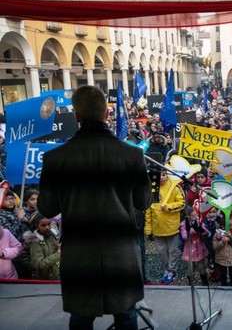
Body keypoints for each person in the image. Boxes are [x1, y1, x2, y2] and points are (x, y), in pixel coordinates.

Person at [38, 85, 152, 329]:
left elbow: (47, 208)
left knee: (80, 318)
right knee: (126, 316)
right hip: (121, 253)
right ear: (106, 114)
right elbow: (144, 202)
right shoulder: (132, 156)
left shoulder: (55, 159)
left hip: (80, 255)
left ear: (76, 116)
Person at [145, 170, 186, 285]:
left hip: (172, 227)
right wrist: (148, 227)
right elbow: (148, 210)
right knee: (162, 252)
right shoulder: (152, 189)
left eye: (164, 175)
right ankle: (167, 269)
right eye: (159, 175)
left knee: (172, 251)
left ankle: (172, 271)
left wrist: (168, 207)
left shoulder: (175, 187)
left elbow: (182, 203)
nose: (162, 177)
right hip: (157, 228)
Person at [179, 207, 210, 286]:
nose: (195, 217)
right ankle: (191, 283)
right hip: (190, 250)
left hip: (199, 247)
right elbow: (184, 236)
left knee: (201, 267)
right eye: (193, 216)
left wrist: (202, 230)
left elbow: (206, 232)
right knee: (190, 268)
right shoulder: (184, 224)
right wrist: (193, 230)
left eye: (196, 215)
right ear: (188, 217)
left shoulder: (198, 220)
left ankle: (204, 281)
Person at [30, 213, 61, 280]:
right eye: (43, 225)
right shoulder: (35, 242)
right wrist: (57, 254)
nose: (47, 227)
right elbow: (39, 264)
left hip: (58, 273)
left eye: (49, 224)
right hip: (47, 278)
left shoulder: (54, 235)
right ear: (37, 226)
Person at [213, 216, 232, 286]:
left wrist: (231, 238)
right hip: (221, 259)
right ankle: (224, 286)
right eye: (230, 225)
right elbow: (215, 247)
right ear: (223, 227)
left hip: (231, 258)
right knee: (223, 274)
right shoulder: (217, 234)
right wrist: (222, 242)